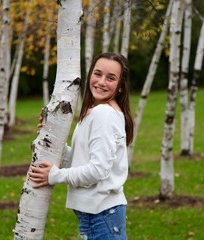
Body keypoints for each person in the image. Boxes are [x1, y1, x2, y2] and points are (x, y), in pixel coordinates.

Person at [29, 52, 134, 239]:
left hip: (101, 215)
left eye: (111, 78)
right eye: (97, 73)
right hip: (101, 213)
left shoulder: (104, 114)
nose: (101, 81)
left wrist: (56, 175)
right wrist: (50, 137)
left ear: (120, 87)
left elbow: (98, 170)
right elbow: (80, 159)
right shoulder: (95, 112)